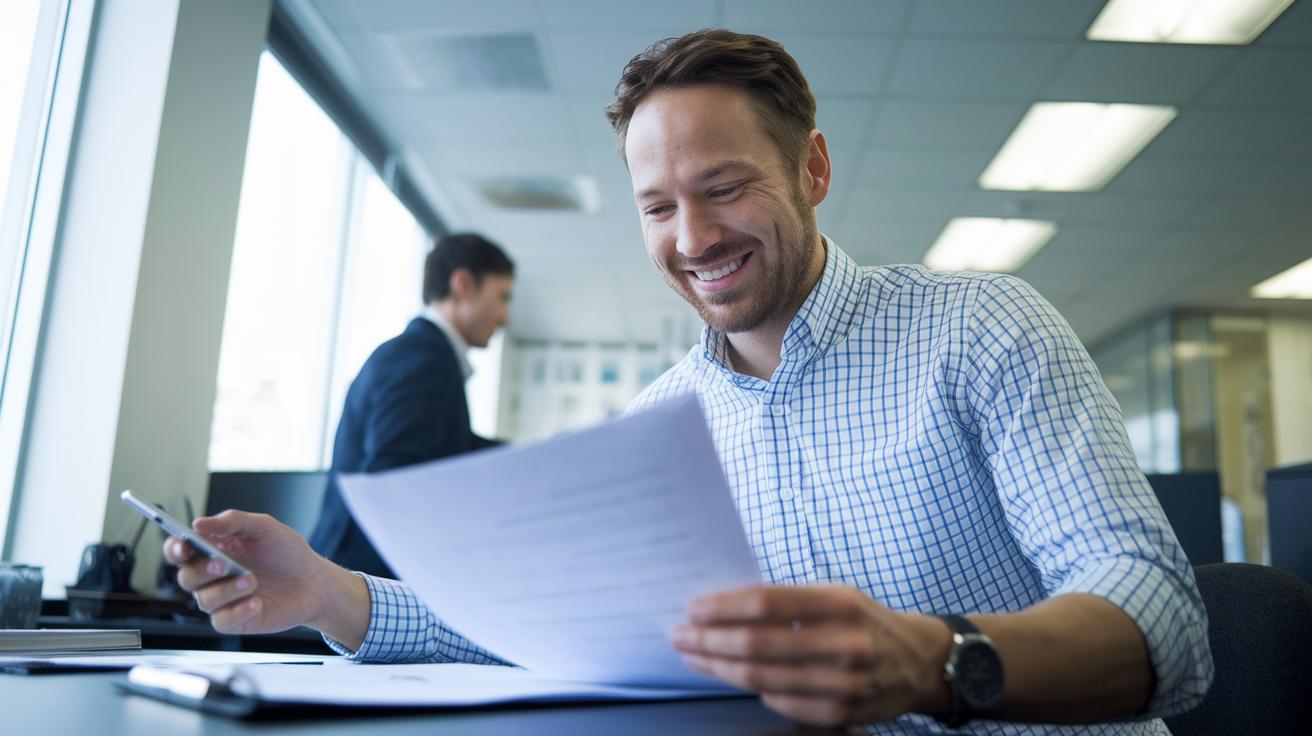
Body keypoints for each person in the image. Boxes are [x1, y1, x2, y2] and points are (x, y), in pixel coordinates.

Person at [166, 30, 1212, 733]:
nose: (694, 236)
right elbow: (536, 623)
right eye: (658, 206)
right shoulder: (661, 419)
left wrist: (938, 659)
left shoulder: (980, 329)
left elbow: (1162, 617)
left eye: (724, 188)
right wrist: (329, 594)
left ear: (811, 171)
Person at [307, 233, 514, 578]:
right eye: (501, 297)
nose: (505, 315)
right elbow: (393, 476)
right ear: (462, 284)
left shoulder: (420, 354)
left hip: (349, 575)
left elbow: (444, 448)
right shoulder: (424, 358)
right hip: (361, 581)